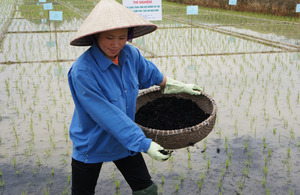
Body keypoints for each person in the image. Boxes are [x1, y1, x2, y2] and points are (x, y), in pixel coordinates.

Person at [68, 0, 201, 194]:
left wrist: (179, 86)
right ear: (95, 36)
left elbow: (151, 75)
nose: (116, 44)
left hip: (124, 139)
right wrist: (144, 143)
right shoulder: (83, 71)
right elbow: (107, 115)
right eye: (109, 38)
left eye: (122, 37)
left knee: (146, 189)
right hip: (93, 142)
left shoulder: (129, 54)